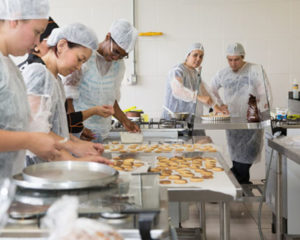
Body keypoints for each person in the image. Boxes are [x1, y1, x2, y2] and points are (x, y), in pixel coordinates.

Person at [21, 23, 110, 165]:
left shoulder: (55, 80)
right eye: (79, 59)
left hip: (50, 167)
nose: (79, 67)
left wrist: (79, 144)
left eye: (83, 62)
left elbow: (56, 130)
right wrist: (74, 158)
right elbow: (36, 132)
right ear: (61, 45)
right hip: (35, 169)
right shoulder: (39, 74)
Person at [0, 0, 65, 176]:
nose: (37, 42)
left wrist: (70, 146)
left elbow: (20, 124)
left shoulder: (9, 67)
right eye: (37, 32)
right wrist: (29, 140)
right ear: (15, 20)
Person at [64, 19, 140, 143]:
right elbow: (68, 97)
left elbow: (111, 99)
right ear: (107, 37)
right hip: (80, 132)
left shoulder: (118, 66)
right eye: (115, 51)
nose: (116, 58)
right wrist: (77, 127)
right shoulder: (85, 58)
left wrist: (126, 121)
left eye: (122, 55)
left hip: (102, 131)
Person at [211, 42, 272, 184]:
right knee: (236, 155)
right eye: (230, 60)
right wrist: (220, 105)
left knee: (248, 155)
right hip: (232, 121)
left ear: (243, 57)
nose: (233, 63)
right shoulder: (223, 73)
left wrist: (264, 115)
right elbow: (211, 89)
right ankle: (240, 184)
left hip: (252, 119)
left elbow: (265, 93)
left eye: (236, 59)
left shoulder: (254, 70)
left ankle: (225, 185)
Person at [162, 43, 223, 125]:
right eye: (195, 55)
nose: (198, 59)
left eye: (201, 56)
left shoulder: (195, 73)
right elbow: (178, 90)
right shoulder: (177, 70)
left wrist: (215, 107)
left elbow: (204, 91)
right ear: (187, 56)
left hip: (189, 121)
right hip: (173, 120)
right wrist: (199, 97)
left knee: (205, 138)